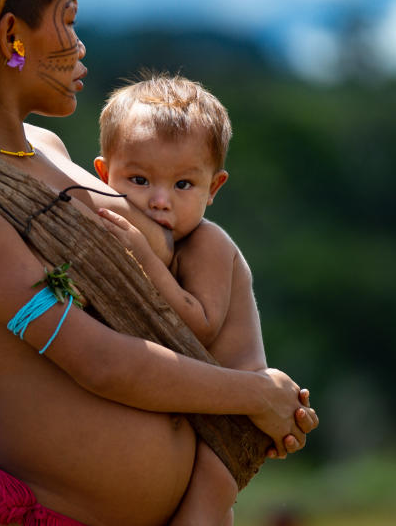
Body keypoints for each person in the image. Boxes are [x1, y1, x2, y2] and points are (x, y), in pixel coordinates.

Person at [0, 0, 318, 526]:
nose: (78, 43)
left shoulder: (51, 150)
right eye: (67, 17)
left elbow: (181, 265)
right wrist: (254, 396)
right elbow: (101, 363)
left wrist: (257, 406)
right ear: (13, 36)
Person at [93, 73, 272, 524]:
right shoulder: (137, 236)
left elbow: (200, 325)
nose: (158, 201)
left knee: (205, 513)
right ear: (102, 175)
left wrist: (143, 258)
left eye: (183, 185)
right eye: (137, 179)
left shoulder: (208, 244)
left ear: (214, 188)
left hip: (233, 420)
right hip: (196, 410)